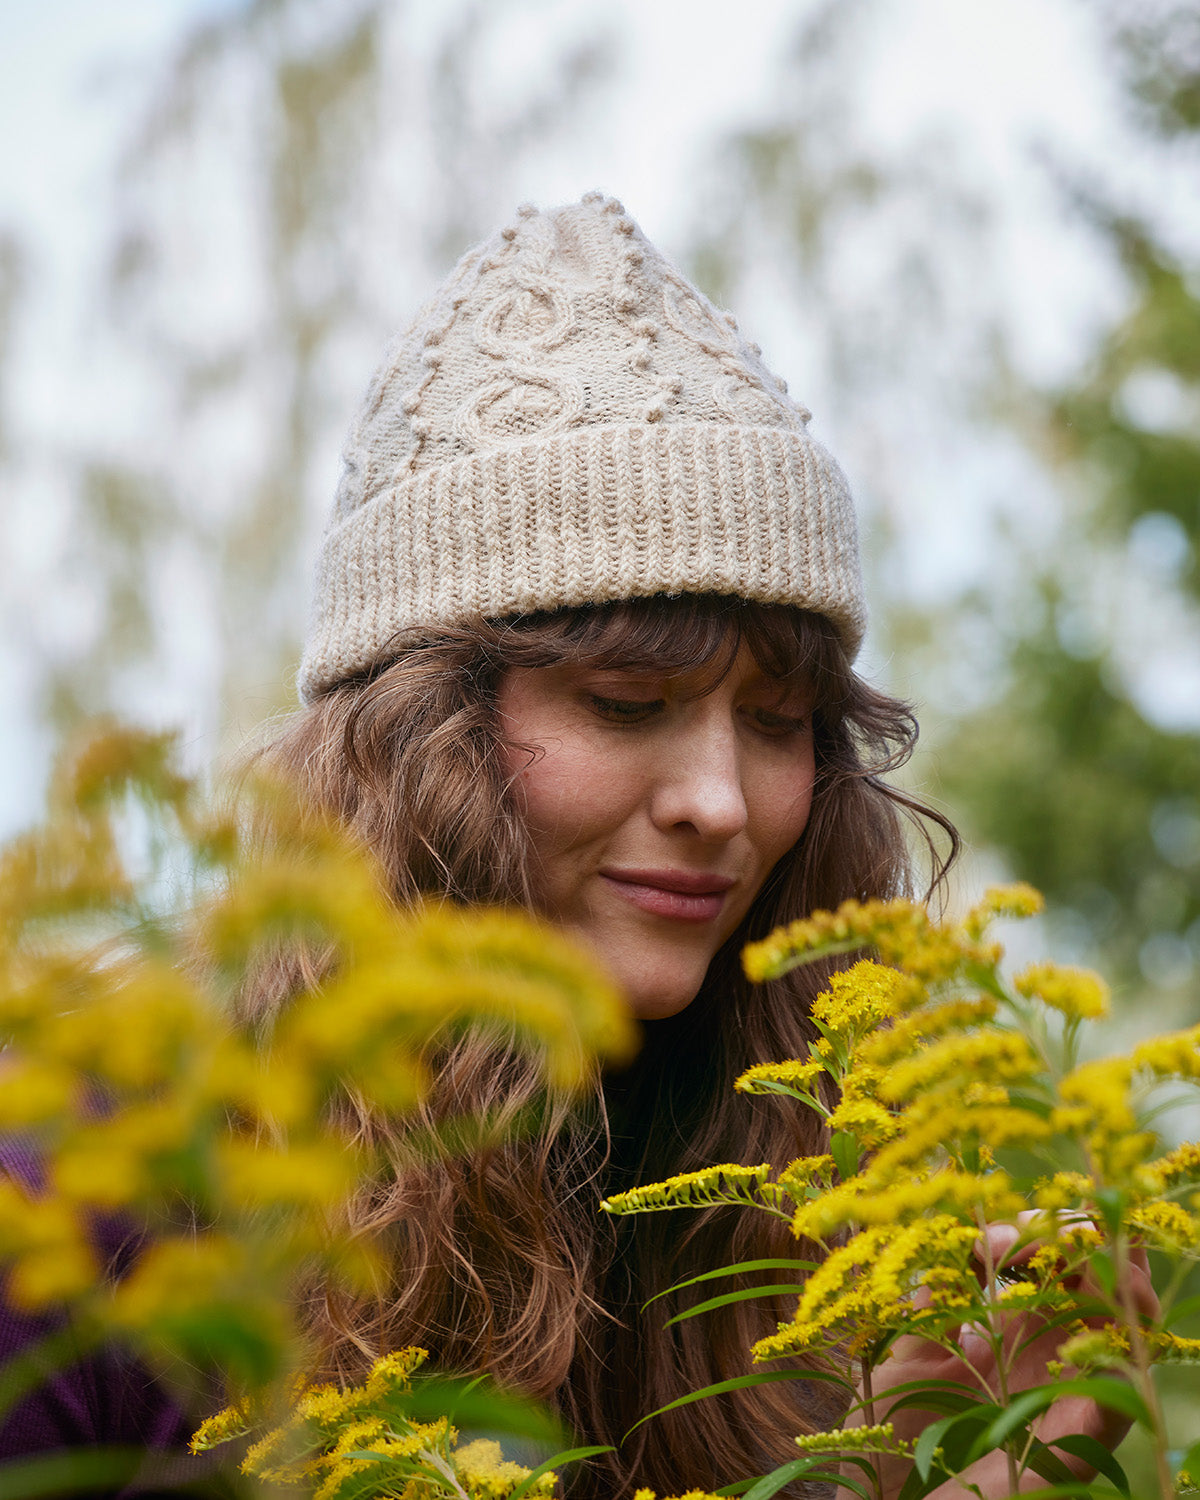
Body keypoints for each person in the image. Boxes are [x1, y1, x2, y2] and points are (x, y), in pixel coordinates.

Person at [0, 194, 1147, 1498]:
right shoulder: (74, 1199)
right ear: (418, 741)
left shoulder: (776, 1208)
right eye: (625, 704)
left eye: (778, 722)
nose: (721, 802)